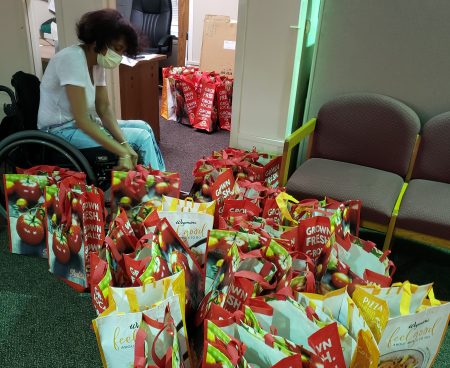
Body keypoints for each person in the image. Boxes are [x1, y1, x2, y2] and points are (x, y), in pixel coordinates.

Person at [37, 8, 165, 171]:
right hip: (57, 133)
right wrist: (123, 151)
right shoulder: (72, 58)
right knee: (141, 138)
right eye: (117, 49)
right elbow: (82, 119)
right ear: (98, 41)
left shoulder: (97, 63)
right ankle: (157, 190)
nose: (119, 56)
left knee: (144, 127)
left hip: (77, 126)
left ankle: (160, 182)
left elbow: (103, 109)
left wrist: (124, 144)